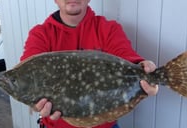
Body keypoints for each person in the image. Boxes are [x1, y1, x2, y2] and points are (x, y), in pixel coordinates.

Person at [20, 0, 159, 128]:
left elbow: (127, 56)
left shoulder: (108, 29)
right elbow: (28, 68)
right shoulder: (40, 34)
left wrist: (145, 70)